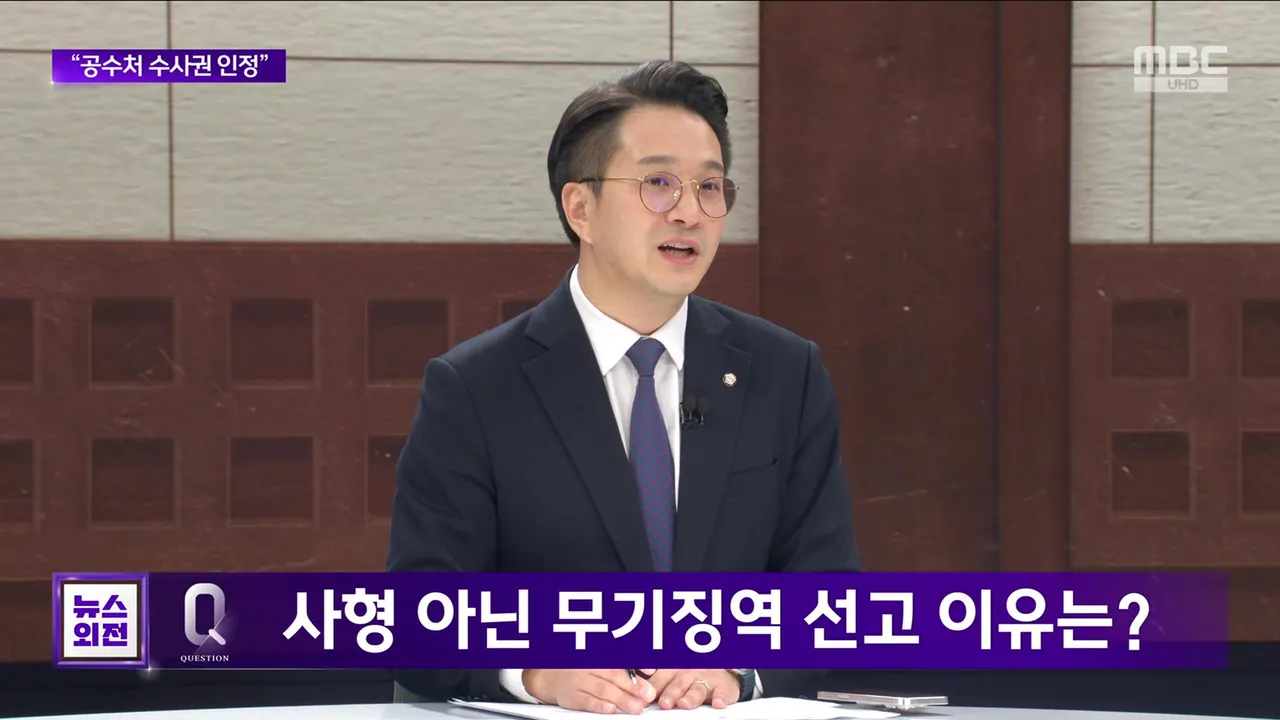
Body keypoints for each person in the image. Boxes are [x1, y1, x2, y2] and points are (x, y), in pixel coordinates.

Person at [387, 59, 861, 713]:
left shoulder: (785, 373)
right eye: (658, 184)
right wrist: (534, 673)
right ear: (580, 208)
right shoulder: (475, 388)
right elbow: (419, 616)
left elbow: (828, 595)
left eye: (710, 187)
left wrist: (738, 671)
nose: (690, 212)